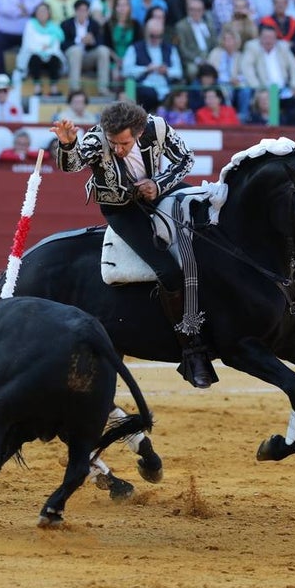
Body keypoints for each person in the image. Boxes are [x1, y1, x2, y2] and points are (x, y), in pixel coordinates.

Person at [51, 99, 213, 389]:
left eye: (124, 143)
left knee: (207, 211)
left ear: (138, 132)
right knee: (169, 271)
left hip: (156, 192)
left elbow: (185, 159)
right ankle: (192, 351)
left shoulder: (157, 128)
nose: (117, 149)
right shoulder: (98, 137)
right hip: (121, 209)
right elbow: (73, 165)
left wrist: (158, 184)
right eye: (113, 142)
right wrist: (67, 145)